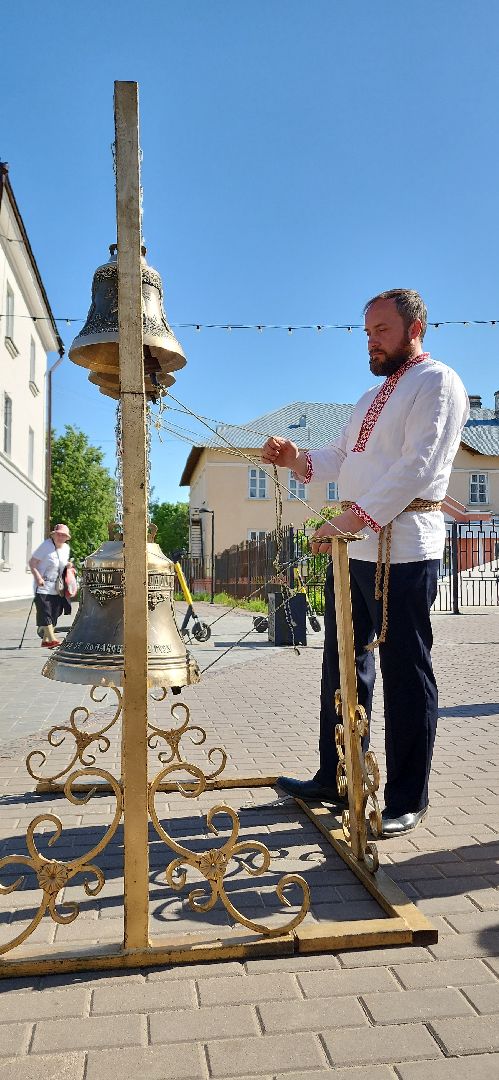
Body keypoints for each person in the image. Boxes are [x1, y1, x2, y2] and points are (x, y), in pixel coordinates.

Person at [262, 289, 469, 837]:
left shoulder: (437, 382)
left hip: (404, 551)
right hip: (355, 550)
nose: (371, 341)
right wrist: (297, 459)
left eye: (382, 330)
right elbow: (340, 459)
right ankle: (336, 775)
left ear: (415, 328)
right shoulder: (368, 399)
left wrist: (352, 519)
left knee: (405, 671)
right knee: (342, 665)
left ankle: (407, 796)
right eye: (367, 332)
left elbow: (418, 469)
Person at [29, 523, 72, 649]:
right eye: (58, 534)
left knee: (55, 612)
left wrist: (68, 565)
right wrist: (38, 577)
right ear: (54, 535)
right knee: (45, 611)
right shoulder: (46, 546)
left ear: (66, 537)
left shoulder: (66, 549)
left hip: (57, 587)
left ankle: (46, 638)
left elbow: (61, 565)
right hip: (43, 585)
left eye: (63, 535)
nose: (60, 537)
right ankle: (52, 639)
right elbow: (32, 563)